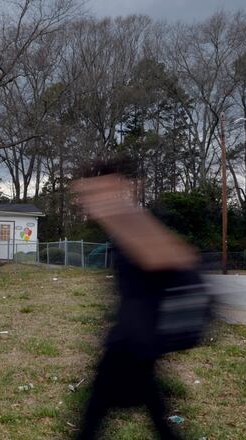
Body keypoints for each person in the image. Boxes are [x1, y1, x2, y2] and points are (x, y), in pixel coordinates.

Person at [72, 166, 202, 440]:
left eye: (95, 189)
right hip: (138, 337)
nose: (87, 199)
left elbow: (176, 259)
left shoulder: (132, 221)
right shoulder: (125, 223)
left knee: (94, 414)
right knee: (150, 407)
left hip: (134, 338)